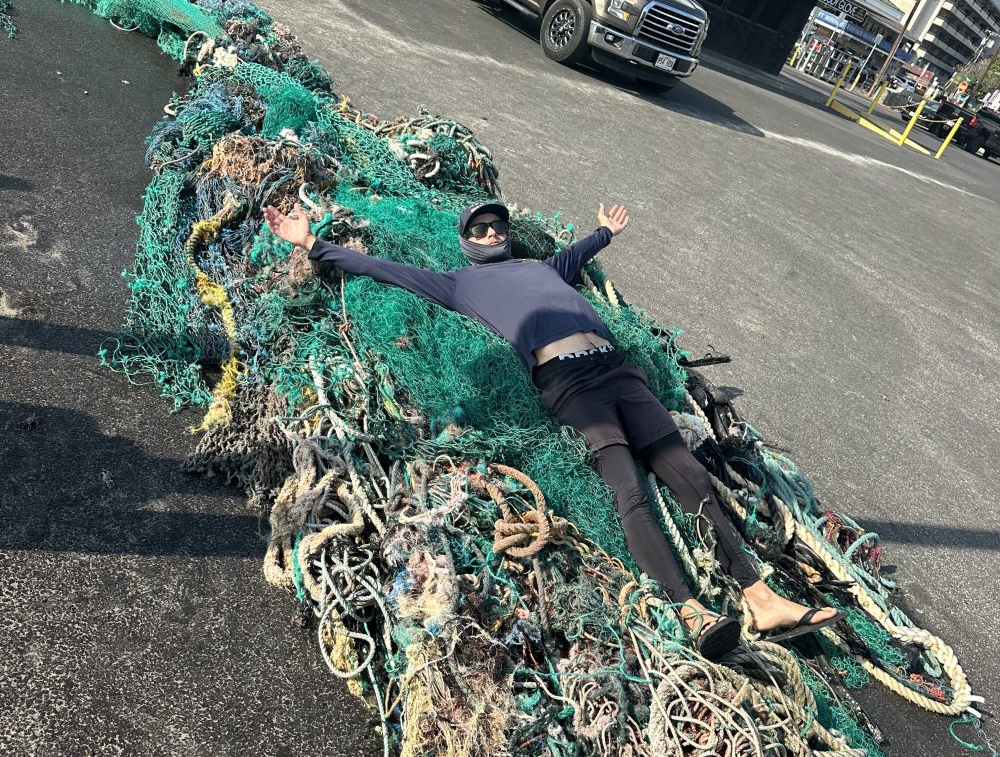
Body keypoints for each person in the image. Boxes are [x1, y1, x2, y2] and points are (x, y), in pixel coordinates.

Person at [262, 199, 841, 659]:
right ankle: (691, 612)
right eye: (480, 230)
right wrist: (313, 243)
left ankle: (761, 598)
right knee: (627, 488)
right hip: (569, 385)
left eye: (497, 227)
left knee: (690, 475)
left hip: (619, 371)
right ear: (467, 243)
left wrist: (604, 233)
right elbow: (383, 271)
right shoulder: (459, 283)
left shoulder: (542, 267)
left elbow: (576, 255)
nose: (492, 234)